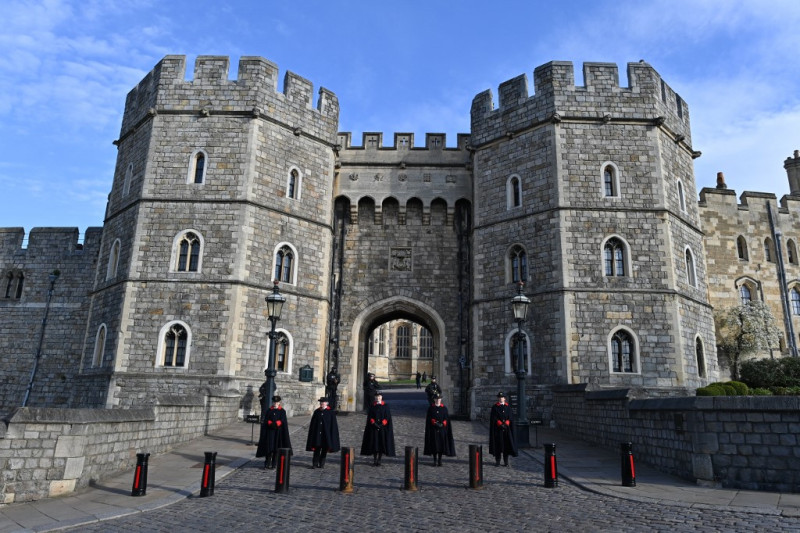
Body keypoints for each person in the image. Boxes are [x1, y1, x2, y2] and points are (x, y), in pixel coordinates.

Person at [360, 390, 396, 466]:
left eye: (379, 396)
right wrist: (374, 423)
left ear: (381, 397)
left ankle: (379, 459)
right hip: (374, 428)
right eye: (376, 397)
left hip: (383, 429)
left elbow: (387, 417)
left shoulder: (385, 406)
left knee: (381, 444)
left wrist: (382, 424)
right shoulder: (372, 406)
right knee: (374, 444)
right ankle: (375, 459)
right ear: (375, 397)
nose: (378, 398)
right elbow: (370, 417)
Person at [256, 395, 291, 469]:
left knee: (276, 449)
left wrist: (277, 423)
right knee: (269, 448)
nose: (275, 403)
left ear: (279, 403)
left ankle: (274, 463)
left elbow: (283, 420)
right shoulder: (269, 410)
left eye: (277, 402)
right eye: (274, 402)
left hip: (278, 432)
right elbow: (266, 420)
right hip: (270, 432)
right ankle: (267, 463)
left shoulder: (282, 411)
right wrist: (270, 423)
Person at [306, 396, 340, 468]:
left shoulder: (330, 413)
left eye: (323, 402)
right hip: (317, 434)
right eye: (321, 402)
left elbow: (333, 426)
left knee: (324, 450)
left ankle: (322, 464)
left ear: (326, 403)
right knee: (317, 449)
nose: (322, 403)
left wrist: (331, 436)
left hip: (326, 435)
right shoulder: (317, 411)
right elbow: (313, 424)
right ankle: (315, 464)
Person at [423, 393, 455, 466]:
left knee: (441, 445)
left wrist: (443, 423)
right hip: (433, 430)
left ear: (441, 399)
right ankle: (434, 460)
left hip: (442, 430)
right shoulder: (431, 408)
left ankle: (440, 460)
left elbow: (446, 419)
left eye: (439, 399)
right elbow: (429, 419)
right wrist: (434, 422)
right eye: (437, 399)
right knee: (434, 445)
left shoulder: (444, 409)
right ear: (434, 400)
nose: (438, 400)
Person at [489, 392, 518, 467]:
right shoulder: (495, 407)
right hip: (498, 430)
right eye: (499, 397)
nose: (500, 398)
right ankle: (497, 461)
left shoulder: (508, 407)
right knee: (498, 445)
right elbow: (493, 418)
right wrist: (499, 423)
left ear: (504, 398)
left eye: (502, 397)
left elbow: (511, 417)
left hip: (506, 430)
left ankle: (506, 462)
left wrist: (507, 423)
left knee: (506, 446)